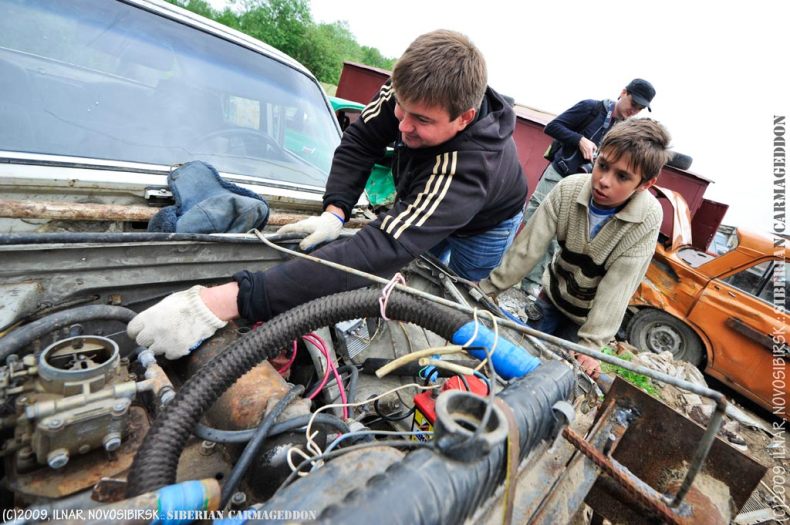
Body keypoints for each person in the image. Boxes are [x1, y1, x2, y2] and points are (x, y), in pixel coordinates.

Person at [128, 29, 527, 359]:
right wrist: (335, 211)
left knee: (446, 285)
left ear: (465, 118)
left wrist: (231, 299)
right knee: (412, 255)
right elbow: (360, 142)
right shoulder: (411, 92)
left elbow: (383, 245)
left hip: (486, 225)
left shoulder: (472, 164)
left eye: (421, 120)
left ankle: (432, 343)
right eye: (401, 109)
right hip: (430, 194)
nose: (402, 125)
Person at [479, 118, 672, 378]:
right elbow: (528, 248)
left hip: (586, 318)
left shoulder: (646, 218)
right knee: (517, 358)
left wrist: (591, 346)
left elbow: (619, 285)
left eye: (622, 176)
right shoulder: (568, 190)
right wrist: (486, 291)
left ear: (645, 184)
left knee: (555, 377)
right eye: (602, 165)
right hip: (553, 296)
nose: (604, 180)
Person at [521, 79, 656, 298]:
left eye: (640, 108)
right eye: (634, 102)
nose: (635, 110)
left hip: (583, 188)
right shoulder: (591, 108)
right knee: (535, 221)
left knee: (559, 237)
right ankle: (516, 272)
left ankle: (532, 281)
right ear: (623, 92)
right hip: (559, 175)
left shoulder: (625, 131)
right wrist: (580, 140)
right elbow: (553, 126)